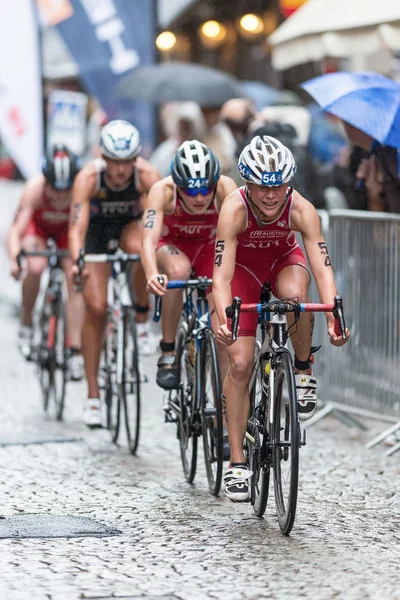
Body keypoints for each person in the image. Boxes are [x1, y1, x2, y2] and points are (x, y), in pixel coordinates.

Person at [212, 135, 350, 502]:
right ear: (248, 184)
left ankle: (302, 370)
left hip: (284, 262)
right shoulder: (234, 208)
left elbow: (322, 266)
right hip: (243, 271)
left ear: (287, 183)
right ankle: (237, 462)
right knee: (240, 364)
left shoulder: (302, 208)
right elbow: (221, 275)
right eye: (261, 187)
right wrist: (226, 316)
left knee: (296, 298)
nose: (271, 195)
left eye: (278, 186)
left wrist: (334, 312)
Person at [69, 119, 161, 427]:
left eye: (126, 162)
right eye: (114, 162)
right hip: (95, 235)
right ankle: (93, 395)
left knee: (139, 248)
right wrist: (77, 261)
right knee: (97, 308)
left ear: (135, 159)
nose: (120, 170)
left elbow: (157, 218)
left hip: (130, 228)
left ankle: (140, 314)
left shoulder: (147, 175)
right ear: (103, 157)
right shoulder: (88, 178)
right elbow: (76, 226)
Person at [141, 140, 237, 391]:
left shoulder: (226, 188)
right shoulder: (162, 191)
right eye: (191, 191)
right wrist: (152, 274)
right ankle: (169, 350)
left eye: (206, 190)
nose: (200, 198)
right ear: (178, 185)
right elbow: (148, 240)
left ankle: (224, 415)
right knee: (178, 270)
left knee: (223, 336)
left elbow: (241, 236)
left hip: (208, 247)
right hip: (171, 245)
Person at [7, 144, 85, 379]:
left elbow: (81, 231)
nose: (61, 196)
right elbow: (15, 231)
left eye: (66, 190)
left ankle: (75, 350)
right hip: (37, 230)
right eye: (55, 189)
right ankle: (27, 323)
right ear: (46, 181)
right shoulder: (34, 189)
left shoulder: (80, 191)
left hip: (65, 233)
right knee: (36, 266)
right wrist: (14, 259)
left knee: (74, 277)